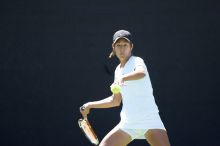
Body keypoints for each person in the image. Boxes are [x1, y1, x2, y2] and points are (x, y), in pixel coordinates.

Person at [80, 30, 171, 146]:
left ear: (131, 47)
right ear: (113, 47)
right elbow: (115, 101)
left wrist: (123, 78)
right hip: (128, 124)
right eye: (118, 45)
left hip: (150, 121)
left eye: (125, 45)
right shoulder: (118, 70)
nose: (122, 49)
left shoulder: (137, 61)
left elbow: (141, 72)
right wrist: (90, 105)